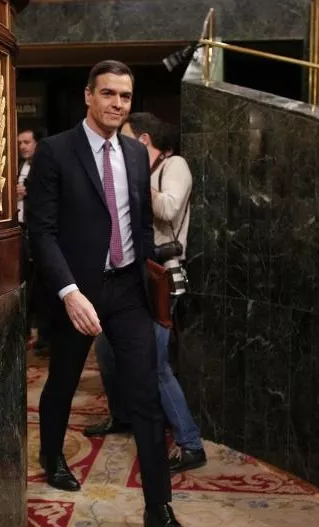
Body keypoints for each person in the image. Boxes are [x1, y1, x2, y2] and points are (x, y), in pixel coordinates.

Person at [25, 60, 191, 527]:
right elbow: (41, 232)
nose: (117, 104)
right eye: (108, 94)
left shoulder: (137, 155)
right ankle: (52, 455)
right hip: (77, 291)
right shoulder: (56, 151)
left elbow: (140, 221)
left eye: (125, 96)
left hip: (126, 291)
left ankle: (158, 507)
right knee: (63, 380)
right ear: (88, 96)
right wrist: (68, 291)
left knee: (145, 392)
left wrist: (146, 272)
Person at [86, 113, 207, 474]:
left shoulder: (174, 164)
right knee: (106, 349)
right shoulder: (137, 170)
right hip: (131, 277)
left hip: (161, 277)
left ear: (142, 140)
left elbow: (168, 207)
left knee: (154, 364)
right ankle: (123, 415)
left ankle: (191, 443)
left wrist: (135, 180)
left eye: (124, 138)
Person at [17, 128, 50, 352]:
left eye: (27, 142)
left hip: (37, 232)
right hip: (20, 230)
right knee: (24, 284)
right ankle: (27, 332)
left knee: (41, 286)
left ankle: (45, 337)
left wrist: (29, 190)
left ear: (37, 143)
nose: (22, 147)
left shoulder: (44, 165)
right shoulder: (18, 166)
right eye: (20, 143)